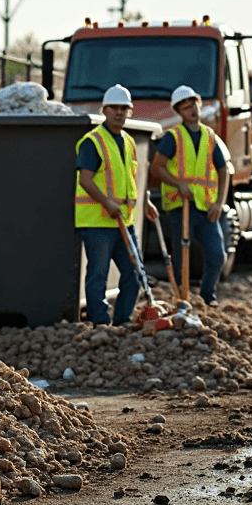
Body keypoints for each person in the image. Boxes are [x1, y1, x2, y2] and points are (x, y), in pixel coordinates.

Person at [75, 84, 159, 326]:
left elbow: (130, 182)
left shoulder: (129, 143)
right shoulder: (93, 142)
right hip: (97, 221)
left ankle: (122, 321)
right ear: (105, 110)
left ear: (130, 111)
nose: (119, 112)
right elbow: (85, 179)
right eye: (114, 108)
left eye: (124, 108)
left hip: (125, 220)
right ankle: (101, 324)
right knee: (98, 276)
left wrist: (145, 201)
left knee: (134, 273)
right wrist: (107, 202)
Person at [151, 85, 231, 305]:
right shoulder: (173, 137)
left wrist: (219, 203)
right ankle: (182, 299)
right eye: (186, 108)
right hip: (180, 206)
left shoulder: (210, 137)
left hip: (206, 207)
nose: (192, 111)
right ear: (179, 112)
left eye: (194, 105)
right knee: (182, 258)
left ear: (199, 104)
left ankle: (208, 295)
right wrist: (179, 184)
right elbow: (156, 167)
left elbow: (224, 170)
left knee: (218, 255)